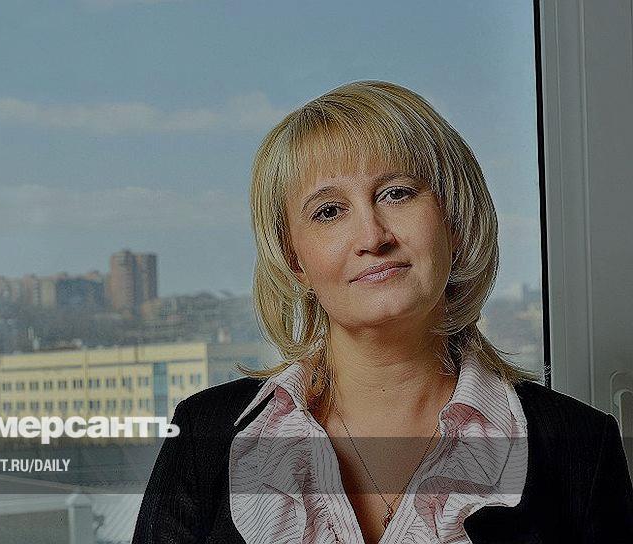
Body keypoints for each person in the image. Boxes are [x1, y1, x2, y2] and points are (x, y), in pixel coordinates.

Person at [132, 80, 633, 543]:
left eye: (397, 193)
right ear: (295, 260)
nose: (372, 237)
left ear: (454, 222)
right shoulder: (204, 436)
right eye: (329, 211)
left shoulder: (582, 448)